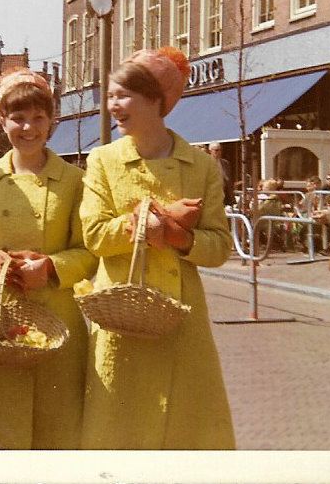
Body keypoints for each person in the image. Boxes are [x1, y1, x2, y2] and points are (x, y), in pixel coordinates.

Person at [79, 46, 235, 449]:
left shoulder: (199, 166)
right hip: (121, 316)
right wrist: (151, 223)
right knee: (119, 434)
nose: (112, 105)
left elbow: (219, 246)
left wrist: (179, 238)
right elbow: (94, 234)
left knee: (183, 437)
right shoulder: (102, 160)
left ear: (156, 100)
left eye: (122, 95)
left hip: (181, 321)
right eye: (110, 95)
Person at [0, 68, 96, 449]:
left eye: (38, 117)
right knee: (5, 440)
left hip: (58, 325)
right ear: (1, 120)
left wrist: (49, 267)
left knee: (56, 442)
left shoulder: (74, 181)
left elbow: (88, 253)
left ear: (52, 121)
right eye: (18, 117)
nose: (28, 128)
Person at [207, 142, 235, 207]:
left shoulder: (225, 163)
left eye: (220, 150)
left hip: (225, 195)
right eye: (216, 150)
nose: (219, 152)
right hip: (212, 195)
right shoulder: (207, 164)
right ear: (210, 151)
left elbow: (229, 179)